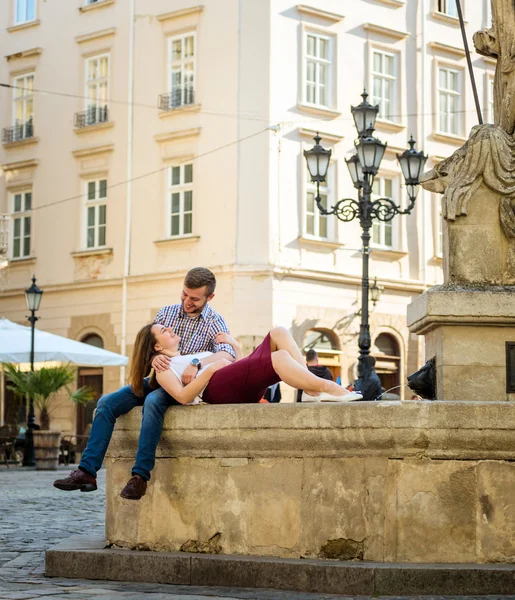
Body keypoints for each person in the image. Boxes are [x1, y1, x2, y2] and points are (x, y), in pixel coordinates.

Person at [120, 324, 363, 500]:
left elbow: (240, 366)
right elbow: (183, 397)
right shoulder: (163, 367)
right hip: (214, 391)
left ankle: (310, 386)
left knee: (278, 333)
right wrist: (209, 369)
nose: (171, 329)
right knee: (277, 357)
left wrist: (233, 346)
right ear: (157, 346)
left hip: (231, 382)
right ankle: (324, 387)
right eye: (164, 331)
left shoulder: (191, 357)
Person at [53, 267, 235, 494]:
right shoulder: (166, 314)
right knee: (107, 403)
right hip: (155, 379)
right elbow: (151, 344)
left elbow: (228, 355)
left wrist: (196, 362)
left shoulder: (215, 322)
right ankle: (87, 472)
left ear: (210, 297)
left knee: (153, 403)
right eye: (184, 294)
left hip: (183, 385)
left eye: (195, 298)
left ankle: (139, 477)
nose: (187, 301)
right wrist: (155, 357)